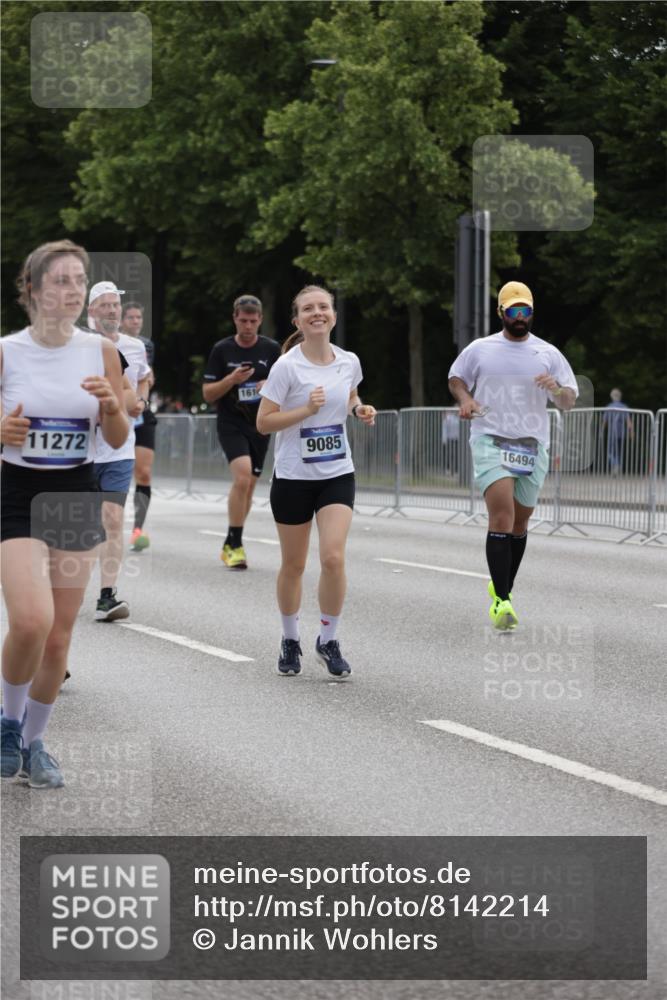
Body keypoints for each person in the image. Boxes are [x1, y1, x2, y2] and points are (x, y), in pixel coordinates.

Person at [0, 240, 128, 787]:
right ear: (32, 290)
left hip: (77, 491)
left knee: (59, 637)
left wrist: (113, 406)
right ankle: (8, 722)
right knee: (31, 620)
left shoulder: (100, 351)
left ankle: (34, 745)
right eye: (60, 281)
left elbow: (118, 436)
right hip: (18, 495)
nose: (72, 291)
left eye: (79, 281)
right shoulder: (6, 351)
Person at [256, 285, 376, 678]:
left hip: (337, 472)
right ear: (298, 321)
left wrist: (359, 408)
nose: (317, 313)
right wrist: (306, 409)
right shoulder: (287, 367)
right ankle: (290, 639)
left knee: (333, 557)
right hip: (293, 475)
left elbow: (352, 393)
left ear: (334, 316)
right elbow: (263, 422)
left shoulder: (349, 361)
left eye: (323, 307)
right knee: (293, 564)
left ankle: (328, 638)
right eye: (308, 309)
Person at [448, 280, 577, 630]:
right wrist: (466, 400)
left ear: (532, 313)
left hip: (532, 445)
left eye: (526, 311)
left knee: (520, 523)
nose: (520, 317)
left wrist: (557, 388)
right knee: (502, 517)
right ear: (501, 312)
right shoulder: (481, 348)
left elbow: (568, 401)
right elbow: (456, 378)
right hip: (491, 439)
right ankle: (502, 603)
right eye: (514, 311)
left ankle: (502, 587)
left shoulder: (548, 353)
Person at [202, 294, 281, 569]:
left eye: (252, 321)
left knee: (249, 486)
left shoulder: (271, 349)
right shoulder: (222, 350)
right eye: (243, 320)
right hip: (231, 422)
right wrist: (231, 380)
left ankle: (231, 539)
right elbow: (208, 392)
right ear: (235, 318)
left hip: (260, 423)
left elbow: (286, 384)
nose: (247, 326)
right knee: (242, 476)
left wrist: (267, 386)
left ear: (259, 320)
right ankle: (235, 544)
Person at [88, 282, 151, 620]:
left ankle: (106, 596)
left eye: (116, 305)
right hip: (81, 450)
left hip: (119, 448)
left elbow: (142, 380)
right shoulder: (79, 346)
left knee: (112, 519)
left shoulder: (134, 347)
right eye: (105, 305)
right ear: (92, 311)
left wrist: (139, 400)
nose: (113, 310)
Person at [121, 301, 156, 550]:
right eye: (131, 318)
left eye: (138, 318)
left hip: (141, 413)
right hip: (116, 413)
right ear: (122, 320)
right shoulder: (107, 344)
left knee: (143, 472)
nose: (136, 322)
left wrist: (142, 395)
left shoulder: (145, 345)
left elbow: (147, 377)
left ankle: (137, 529)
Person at [602, 388, 633, 476]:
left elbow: (604, 422)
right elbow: (629, 423)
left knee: (610, 452)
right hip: (621, 434)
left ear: (612, 396)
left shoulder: (609, 406)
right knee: (619, 452)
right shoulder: (624, 407)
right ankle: (617, 467)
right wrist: (631, 433)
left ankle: (615, 465)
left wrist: (601, 432)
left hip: (612, 434)